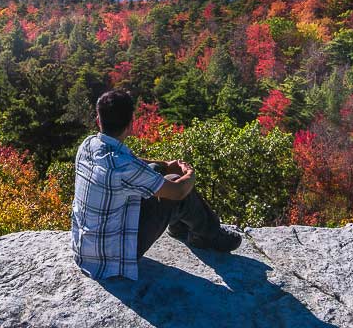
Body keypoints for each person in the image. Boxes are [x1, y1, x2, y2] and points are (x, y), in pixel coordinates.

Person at [71, 89, 241, 280]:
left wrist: (166, 165)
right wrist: (190, 174)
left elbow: (133, 162)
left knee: (154, 170)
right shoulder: (123, 167)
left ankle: (179, 227)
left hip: (85, 251)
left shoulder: (88, 145)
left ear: (98, 121)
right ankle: (208, 236)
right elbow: (177, 191)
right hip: (114, 259)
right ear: (130, 125)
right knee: (175, 184)